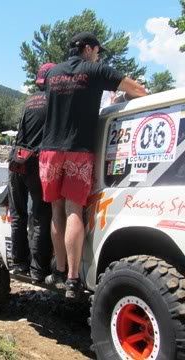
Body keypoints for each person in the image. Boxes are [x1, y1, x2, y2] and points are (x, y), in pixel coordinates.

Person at [39, 32, 147, 298]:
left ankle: (60, 272)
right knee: (74, 209)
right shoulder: (95, 70)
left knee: (56, 211)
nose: (99, 56)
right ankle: (74, 281)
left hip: (50, 150)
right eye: (98, 51)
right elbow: (138, 90)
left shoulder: (52, 74)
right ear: (88, 49)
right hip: (79, 150)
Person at [8, 63, 55, 282]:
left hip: (16, 161)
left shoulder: (30, 101)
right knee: (40, 216)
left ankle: (19, 264)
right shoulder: (54, 102)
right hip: (37, 163)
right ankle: (38, 269)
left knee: (18, 214)